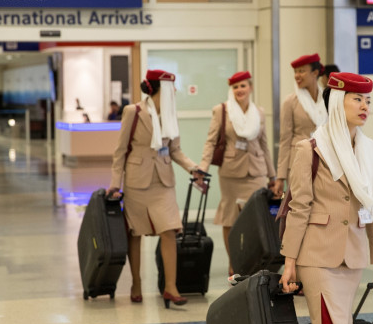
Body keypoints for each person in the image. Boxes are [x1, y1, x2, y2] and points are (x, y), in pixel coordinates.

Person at [279, 72, 373, 324]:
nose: (364, 106)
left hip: (351, 257)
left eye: (367, 100)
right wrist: (290, 261)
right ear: (336, 101)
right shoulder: (311, 149)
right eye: (356, 98)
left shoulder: (370, 153)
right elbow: (299, 209)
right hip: (316, 256)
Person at [108, 69, 203, 308]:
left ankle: (170, 287)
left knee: (169, 230)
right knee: (135, 233)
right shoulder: (133, 112)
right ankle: (136, 283)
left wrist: (194, 169)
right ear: (157, 90)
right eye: (172, 88)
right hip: (137, 181)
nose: (176, 92)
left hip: (163, 181)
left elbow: (175, 150)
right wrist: (114, 185)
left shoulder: (171, 115)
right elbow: (120, 152)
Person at [199, 71, 281, 275]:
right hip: (231, 172)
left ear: (250, 87)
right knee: (230, 218)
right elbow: (210, 142)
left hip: (257, 172)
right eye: (235, 87)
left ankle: (253, 262)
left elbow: (264, 145)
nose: (239, 90)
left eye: (242, 86)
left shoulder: (259, 112)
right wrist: (202, 168)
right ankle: (234, 262)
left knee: (257, 219)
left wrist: (273, 176)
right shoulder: (222, 110)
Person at [277, 54, 328, 193]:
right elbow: (285, 140)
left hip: (324, 160)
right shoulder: (290, 102)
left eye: (301, 71)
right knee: (299, 205)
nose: (297, 75)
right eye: (295, 72)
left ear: (315, 73)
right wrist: (280, 177)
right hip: (297, 162)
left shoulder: (327, 100)